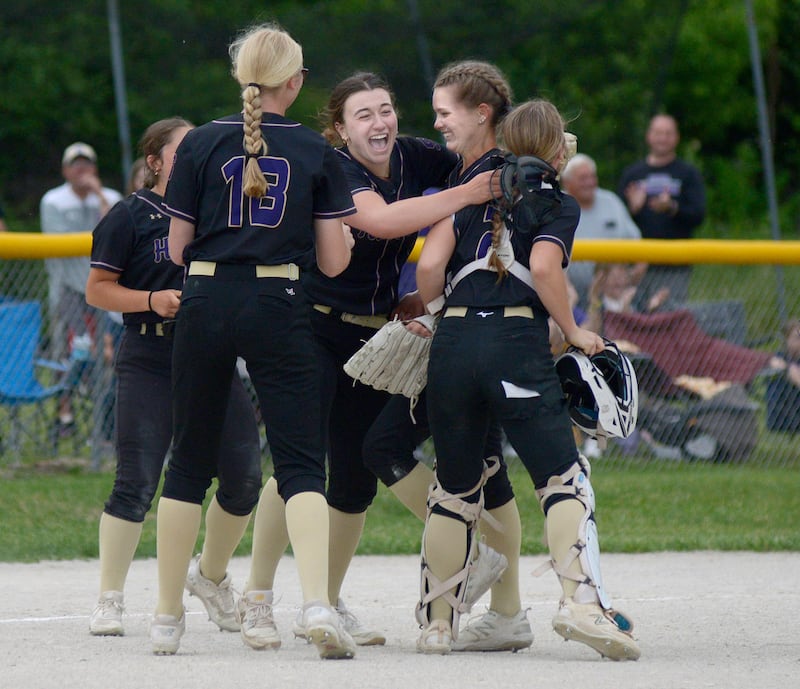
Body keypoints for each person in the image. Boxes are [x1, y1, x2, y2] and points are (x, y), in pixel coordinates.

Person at [236, 70, 516, 652]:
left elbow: (477, 162)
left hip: (374, 334)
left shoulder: (417, 157)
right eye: (363, 115)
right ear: (340, 128)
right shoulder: (335, 166)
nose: (380, 122)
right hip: (309, 325)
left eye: (386, 109)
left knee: (356, 480)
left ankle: (329, 602)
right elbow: (385, 220)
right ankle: (256, 598)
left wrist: (532, 153)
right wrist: (464, 197)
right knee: (297, 464)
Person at [411, 97, 641, 660]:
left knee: (455, 489)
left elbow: (428, 268)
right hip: (515, 344)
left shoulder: (469, 191)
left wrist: (443, 311)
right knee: (563, 479)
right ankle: (584, 606)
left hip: (453, 346)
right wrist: (574, 329)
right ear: (557, 149)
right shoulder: (556, 201)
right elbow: (541, 267)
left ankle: (438, 624)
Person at [154, 22, 356, 659]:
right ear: (294, 82)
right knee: (299, 462)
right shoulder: (313, 150)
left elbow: (179, 248)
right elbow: (331, 262)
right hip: (278, 299)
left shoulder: (199, 144)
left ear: (240, 76)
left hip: (207, 298)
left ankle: (165, 618)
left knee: (189, 458)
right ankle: (318, 603)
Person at [84, 118, 262, 638]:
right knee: (137, 479)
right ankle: (109, 597)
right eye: (182, 150)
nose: (194, 157)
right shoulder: (130, 215)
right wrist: (150, 300)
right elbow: (98, 289)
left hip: (209, 354)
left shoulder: (218, 213)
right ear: (156, 161)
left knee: (244, 477)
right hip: (149, 354)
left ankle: (209, 577)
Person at [40, 142, 123, 446]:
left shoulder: (111, 197)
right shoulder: (54, 200)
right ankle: (65, 415)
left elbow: (119, 233)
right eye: (75, 164)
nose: (81, 169)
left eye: (86, 163)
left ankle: (105, 417)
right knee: (69, 350)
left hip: (104, 287)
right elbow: (66, 244)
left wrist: (100, 196)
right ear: (65, 170)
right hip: (68, 288)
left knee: (108, 352)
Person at [617, 114, 705, 311]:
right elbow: (617, 220)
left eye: (668, 133)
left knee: (668, 318)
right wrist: (633, 208)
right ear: (649, 136)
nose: (662, 138)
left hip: (674, 266)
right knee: (634, 316)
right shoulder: (632, 174)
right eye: (658, 133)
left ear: (676, 138)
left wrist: (672, 208)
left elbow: (698, 215)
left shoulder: (687, 173)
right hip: (636, 266)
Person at [560, 153, 644, 310]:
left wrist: (628, 280)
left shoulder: (611, 202)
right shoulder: (557, 206)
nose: (590, 183)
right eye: (583, 178)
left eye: (592, 177)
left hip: (612, 299)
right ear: (567, 182)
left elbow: (641, 250)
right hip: (568, 297)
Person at [765, 318, 800, 433]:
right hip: (784, 416)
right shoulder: (779, 358)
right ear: (786, 340)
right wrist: (788, 369)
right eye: (796, 338)